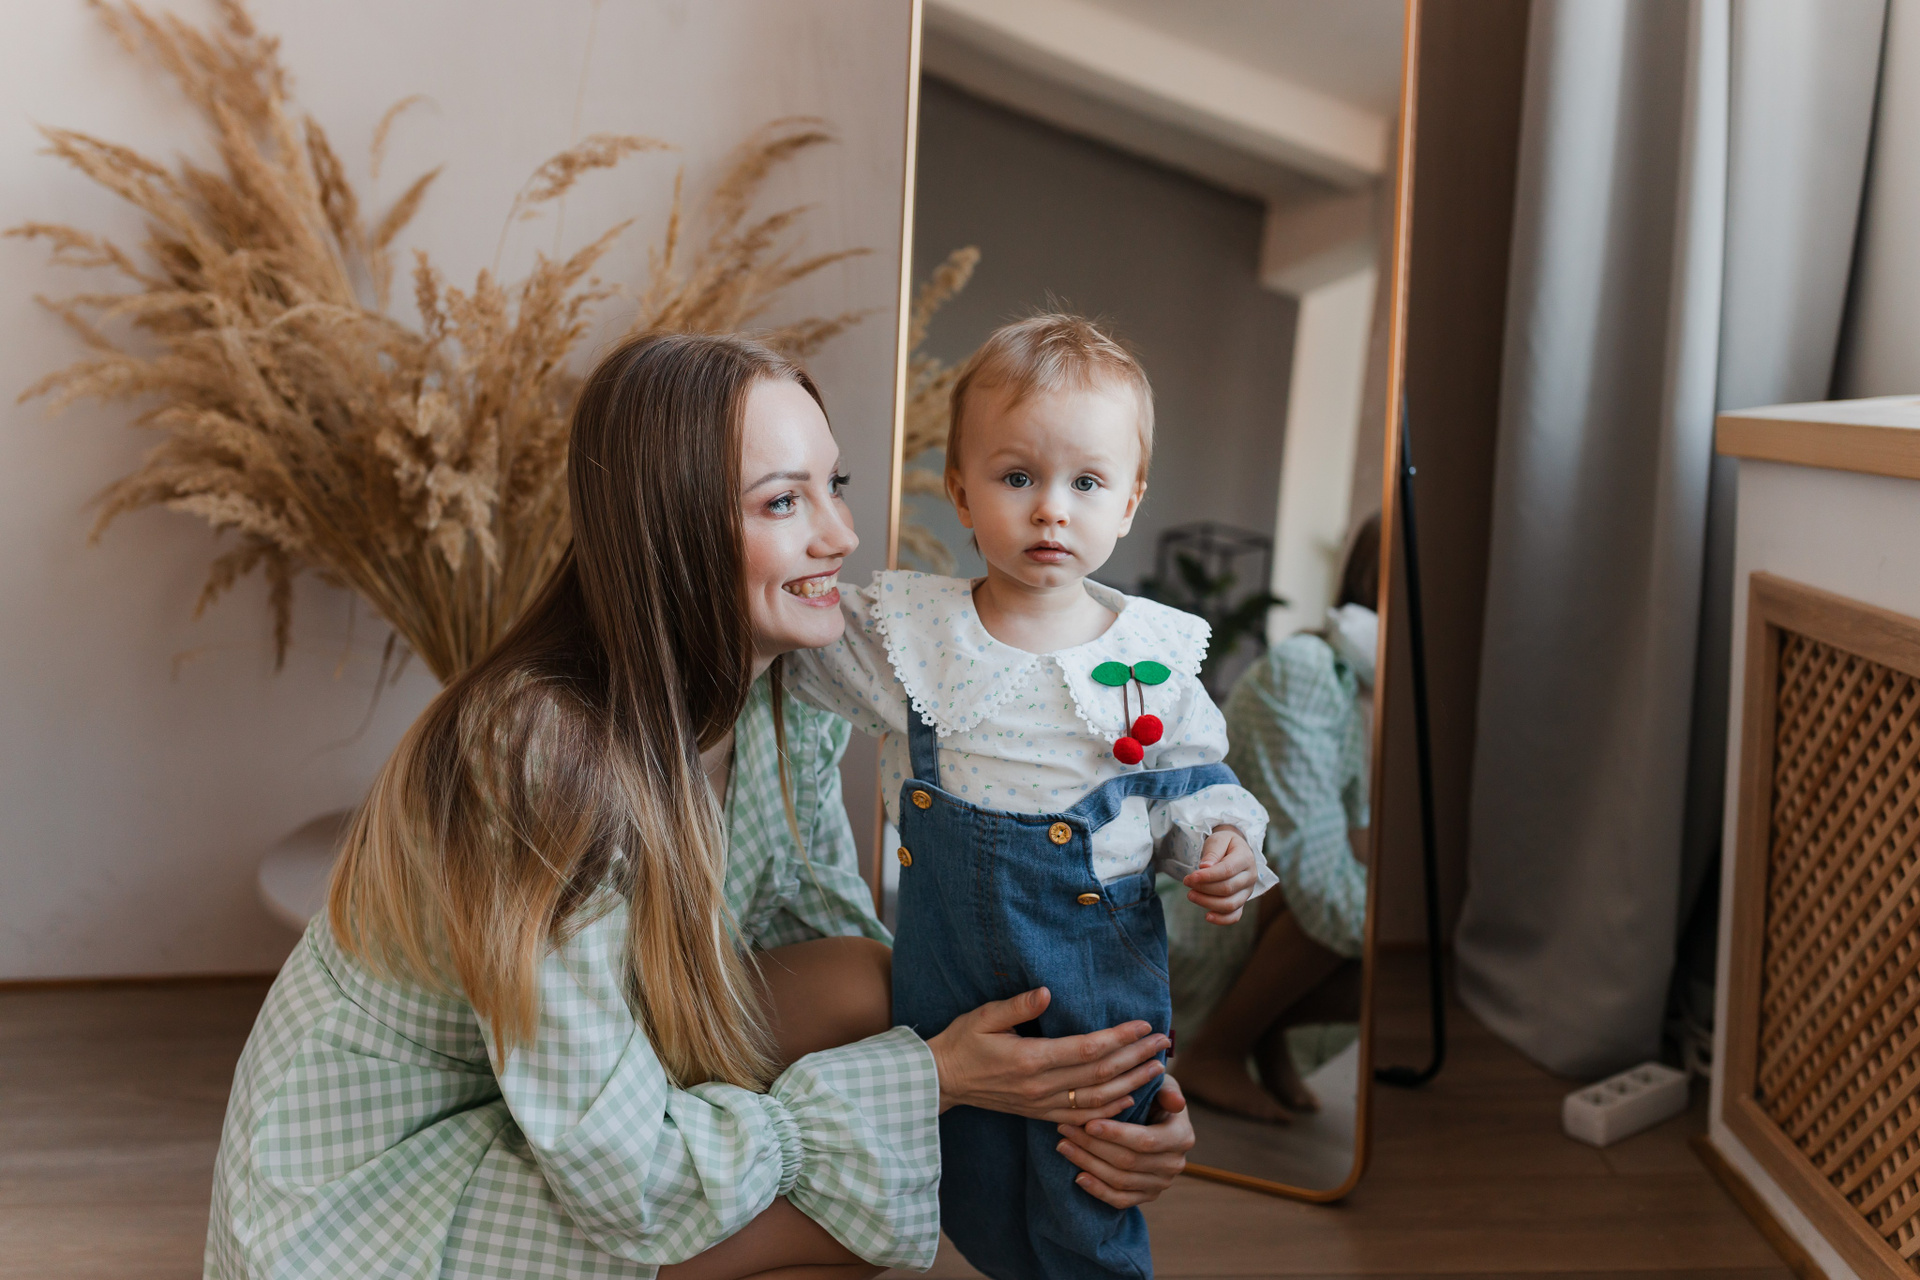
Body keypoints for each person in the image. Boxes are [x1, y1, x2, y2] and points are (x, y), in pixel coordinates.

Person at [205, 333, 1225, 1280]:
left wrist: (1103, 1097)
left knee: (867, 992)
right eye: (783, 502)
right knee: (859, 1205)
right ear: (672, 530)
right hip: (386, 1178)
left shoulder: (788, 693)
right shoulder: (539, 752)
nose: (841, 534)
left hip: (576, 1094)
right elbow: (628, 1180)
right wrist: (930, 1082)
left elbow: (858, 963)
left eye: (834, 485)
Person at [786, 314, 1273, 1280]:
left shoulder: (1150, 658)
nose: (1052, 509)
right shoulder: (914, 637)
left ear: (1129, 501)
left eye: (1085, 483)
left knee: (1086, 1184)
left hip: (1097, 982)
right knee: (963, 1174)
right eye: (1018, 478)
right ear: (960, 490)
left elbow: (1193, 786)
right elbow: (801, 650)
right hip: (946, 975)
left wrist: (1223, 849)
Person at [1165, 516, 1380, 1124]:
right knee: (1365, 919)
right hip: (1210, 900)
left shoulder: (1366, 685)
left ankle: (1259, 1034)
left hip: (1261, 894)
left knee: (1364, 906)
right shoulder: (1310, 668)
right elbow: (1315, 869)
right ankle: (1220, 1048)